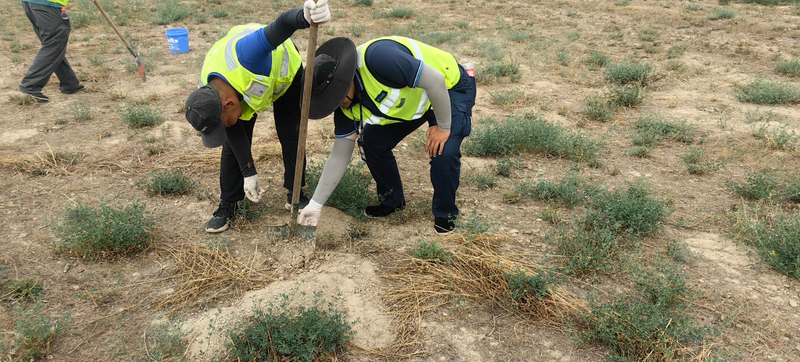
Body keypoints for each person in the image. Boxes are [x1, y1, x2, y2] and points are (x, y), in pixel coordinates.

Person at [297, 36, 476, 234]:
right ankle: (393, 200)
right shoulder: (345, 108)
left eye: (336, 97)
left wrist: (442, 127)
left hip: (449, 88)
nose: (336, 105)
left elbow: (435, 81)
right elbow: (339, 157)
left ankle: (445, 212)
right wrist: (315, 205)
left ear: (345, 80)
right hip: (416, 103)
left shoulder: (379, 58)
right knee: (371, 141)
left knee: (444, 150)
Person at [184, 0, 330, 233]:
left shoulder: (248, 53)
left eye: (224, 123)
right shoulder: (208, 96)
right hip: (244, 89)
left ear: (228, 104)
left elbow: (282, 24)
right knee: (232, 146)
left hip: (285, 78)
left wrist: (306, 16)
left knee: (289, 134)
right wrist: (248, 172)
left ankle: (295, 193)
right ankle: (227, 205)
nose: (227, 128)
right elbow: (232, 130)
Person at [18, 0, 85, 103]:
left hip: (31, 3)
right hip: (47, 5)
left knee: (55, 45)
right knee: (54, 44)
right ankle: (30, 86)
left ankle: (69, 83)